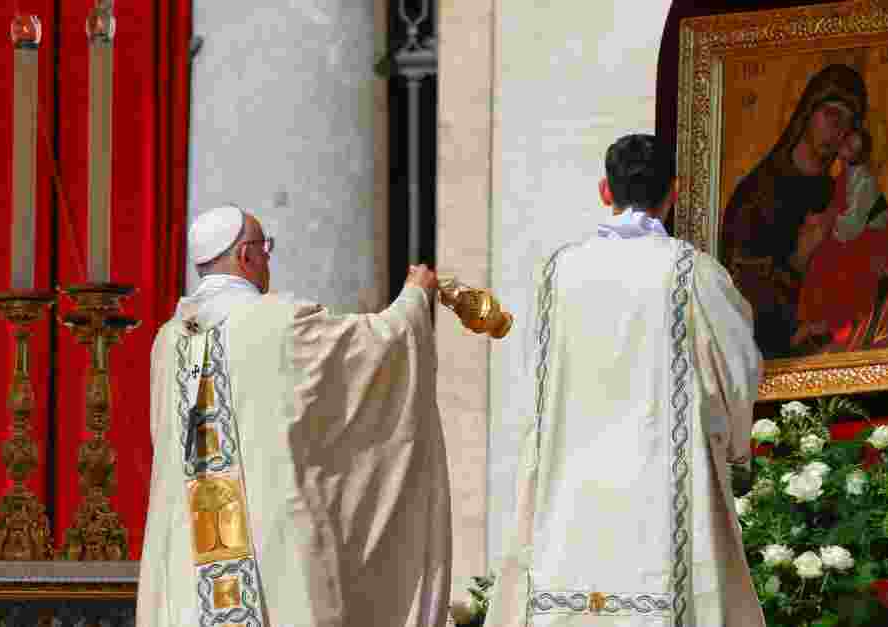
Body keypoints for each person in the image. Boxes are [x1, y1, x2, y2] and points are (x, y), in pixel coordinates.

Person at [486, 134, 764, 626]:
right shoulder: (693, 274)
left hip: (572, 485)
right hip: (665, 487)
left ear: (604, 191)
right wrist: (738, 451)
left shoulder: (557, 272)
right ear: (673, 192)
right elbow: (738, 371)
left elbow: (535, 378)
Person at [137, 205, 451, 627]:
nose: (269, 259)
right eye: (265, 248)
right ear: (246, 255)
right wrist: (414, 298)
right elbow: (376, 350)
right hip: (271, 560)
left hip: (189, 563)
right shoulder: (280, 323)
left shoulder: (168, 340)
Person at [721, 64, 869, 359]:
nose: (838, 131)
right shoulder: (757, 194)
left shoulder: (837, 194)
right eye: (832, 115)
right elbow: (743, 297)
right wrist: (800, 259)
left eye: (848, 125)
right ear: (807, 114)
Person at [795, 128, 888, 352]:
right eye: (846, 145)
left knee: (833, 262)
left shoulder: (864, 181)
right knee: (821, 258)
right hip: (852, 232)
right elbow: (837, 208)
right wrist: (821, 221)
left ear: (860, 154)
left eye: (852, 149)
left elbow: (853, 222)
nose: (846, 151)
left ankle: (830, 325)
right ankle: (814, 321)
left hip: (874, 238)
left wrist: (828, 226)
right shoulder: (845, 175)